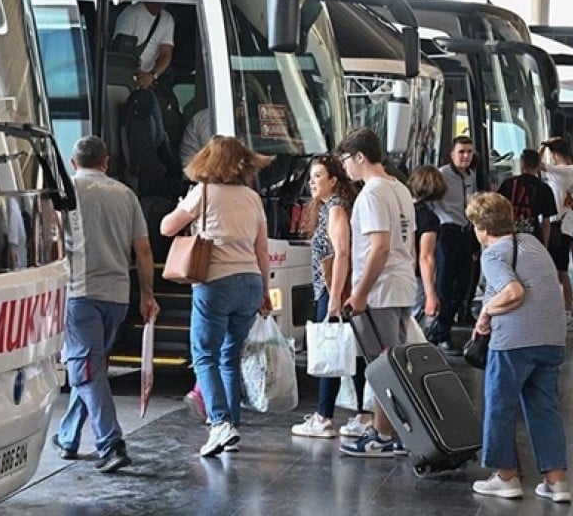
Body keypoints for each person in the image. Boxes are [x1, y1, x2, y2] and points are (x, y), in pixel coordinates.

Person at [160, 135, 273, 458]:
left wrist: (184, 205)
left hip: (216, 282)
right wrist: (264, 290)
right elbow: (261, 249)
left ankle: (220, 423)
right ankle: (231, 425)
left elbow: (167, 227)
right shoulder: (252, 198)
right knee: (229, 355)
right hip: (250, 281)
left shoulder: (203, 193)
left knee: (204, 355)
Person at [53, 136, 160, 473]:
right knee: (91, 368)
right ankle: (68, 436)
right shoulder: (126, 195)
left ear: (73, 163)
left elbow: (50, 241)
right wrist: (147, 294)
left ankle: (111, 443)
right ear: (106, 161)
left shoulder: (66, 192)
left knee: (86, 370)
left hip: (80, 293)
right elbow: (143, 250)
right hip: (117, 295)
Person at [467, 193, 572, 504]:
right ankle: (557, 482)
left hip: (514, 341)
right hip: (552, 336)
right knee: (544, 408)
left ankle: (506, 476)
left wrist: (485, 312)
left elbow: (514, 291)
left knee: (500, 405)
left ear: (481, 227)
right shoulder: (531, 242)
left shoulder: (493, 254)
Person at [335, 128, 420, 458]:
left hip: (380, 291)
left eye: (346, 160)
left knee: (382, 367)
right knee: (393, 365)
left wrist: (358, 294)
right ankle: (393, 431)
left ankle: (383, 435)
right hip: (399, 286)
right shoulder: (399, 188)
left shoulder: (371, 193)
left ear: (359, 157)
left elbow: (379, 247)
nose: (345, 168)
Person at [290, 155, 358, 439]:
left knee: (330, 351)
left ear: (334, 180)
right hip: (331, 290)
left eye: (318, 176)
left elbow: (341, 252)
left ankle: (324, 416)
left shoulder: (336, 209)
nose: (312, 182)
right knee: (348, 351)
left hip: (332, 291)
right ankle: (360, 416)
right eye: (312, 177)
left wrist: (334, 298)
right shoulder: (328, 208)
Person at [430, 136, 480, 351]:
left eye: (469, 151)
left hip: (465, 231)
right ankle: (441, 331)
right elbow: (431, 200)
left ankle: (446, 323)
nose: (465, 156)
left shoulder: (471, 175)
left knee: (463, 284)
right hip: (447, 231)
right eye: (461, 151)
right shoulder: (442, 175)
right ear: (452, 154)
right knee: (444, 284)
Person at [541, 138, 573, 320]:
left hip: (558, 224)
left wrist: (542, 145)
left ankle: (563, 310)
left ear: (555, 154)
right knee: (561, 269)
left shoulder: (562, 171)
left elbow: (536, 163)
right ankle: (565, 310)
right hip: (567, 224)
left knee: (559, 270)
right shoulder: (572, 171)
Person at [496, 149, 558, 246]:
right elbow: (546, 224)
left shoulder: (507, 183)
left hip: (508, 237)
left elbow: (497, 210)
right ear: (538, 165)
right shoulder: (544, 188)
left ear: (522, 163)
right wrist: (544, 247)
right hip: (532, 239)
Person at [408, 166, 445, 323]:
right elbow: (425, 257)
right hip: (416, 279)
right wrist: (431, 295)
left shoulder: (399, 210)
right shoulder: (428, 218)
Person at [112, 1, 175, 90]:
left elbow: (166, 55)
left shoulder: (167, 19)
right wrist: (140, 76)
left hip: (147, 81)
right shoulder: (132, 13)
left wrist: (152, 76)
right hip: (124, 76)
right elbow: (121, 51)